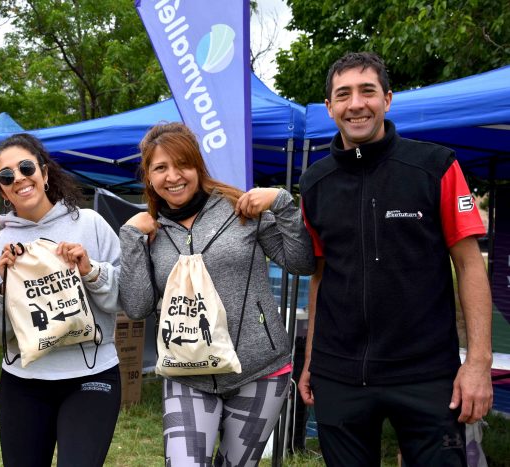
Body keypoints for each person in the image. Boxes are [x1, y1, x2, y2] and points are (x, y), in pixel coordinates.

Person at [297, 52, 493, 466]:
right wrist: (313, 359)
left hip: (426, 374)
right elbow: (320, 276)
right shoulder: (314, 183)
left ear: (387, 99)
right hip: (340, 374)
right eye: (343, 94)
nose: (356, 104)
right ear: (330, 107)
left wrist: (478, 363)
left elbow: (470, 264)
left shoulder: (435, 167)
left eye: (367, 91)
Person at [119, 122, 315, 466]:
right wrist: (131, 239)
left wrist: (282, 204)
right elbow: (137, 308)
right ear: (148, 176)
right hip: (187, 375)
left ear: (198, 166)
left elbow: (300, 263)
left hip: (260, 373)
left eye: (182, 164)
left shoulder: (239, 208)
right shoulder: (149, 230)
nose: (173, 176)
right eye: (160, 167)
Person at [0, 133, 122, 467]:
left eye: (26, 167)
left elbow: (126, 301)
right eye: (6, 176)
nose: (19, 178)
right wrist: (4, 288)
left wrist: (90, 270)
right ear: (1, 189)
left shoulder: (90, 225)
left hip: (91, 376)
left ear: (45, 172)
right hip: (23, 383)